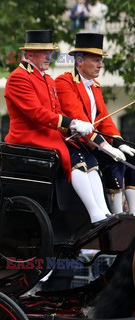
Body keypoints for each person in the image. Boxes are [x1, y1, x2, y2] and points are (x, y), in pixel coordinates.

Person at [4, 29, 109, 227]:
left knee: (88, 155)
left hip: (50, 134)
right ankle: (94, 213)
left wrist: (74, 130)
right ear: (31, 54)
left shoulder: (47, 79)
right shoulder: (18, 77)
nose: (49, 57)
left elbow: (57, 110)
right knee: (74, 156)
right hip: (29, 136)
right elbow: (36, 113)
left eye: (50, 52)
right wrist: (73, 123)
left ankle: (103, 211)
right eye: (45, 53)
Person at [55, 33, 135, 215]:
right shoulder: (64, 82)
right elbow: (78, 117)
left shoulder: (95, 85)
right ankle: (116, 216)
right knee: (116, 160)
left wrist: (119, 143)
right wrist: (105, 145)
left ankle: (132, 214)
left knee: (130, 156)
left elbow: (105, 119)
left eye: (101, 60)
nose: (100, 65)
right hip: (77, 143)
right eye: (96, 60)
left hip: (92, 143)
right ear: (80, 61)